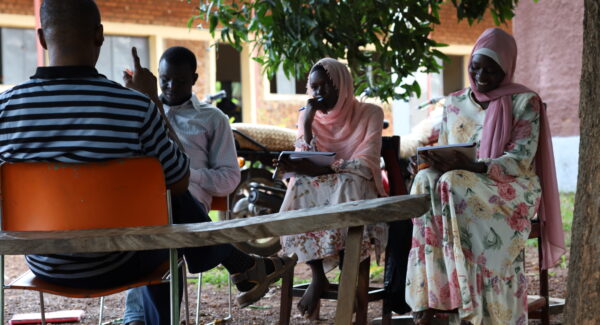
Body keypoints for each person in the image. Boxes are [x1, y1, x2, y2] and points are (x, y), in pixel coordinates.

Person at [0, 1, 295, 325]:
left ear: (41, 38)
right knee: (170, 203)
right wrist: (151, 102)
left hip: (45, 262)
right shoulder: (135, 107)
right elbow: (181, 183)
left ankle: (232, 268)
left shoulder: (5, 108)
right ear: (100, 36)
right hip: (120, 260)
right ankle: (239, 264)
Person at [406, 28, 565, 325]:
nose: (480, 75)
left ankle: (470, 301)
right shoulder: (454, 102)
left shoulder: (524, 101)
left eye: (490, 70)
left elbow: (519, 160)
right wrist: (434, 158)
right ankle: (432, 297)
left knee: (453, 183)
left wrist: (477, 167)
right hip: (460, 183)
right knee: (424, 181)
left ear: (506, 68)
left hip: (511, 184)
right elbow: (448, 146)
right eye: (475, 67)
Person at [121, 46, 242, 325]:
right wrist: (136, 99)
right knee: (150, 220)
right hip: (142, 205)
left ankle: (137, 318)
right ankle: (236, 259)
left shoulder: (213, 118)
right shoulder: (138, 110)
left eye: (180, 81)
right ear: (157, 77)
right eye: (164, 80)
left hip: (186, 206)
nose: (171, 87)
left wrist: (188, 174)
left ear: (195, 79)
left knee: (160, 221)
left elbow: (229, 180)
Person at [276, 58, 387, 318]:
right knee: (299, 185)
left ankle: (348, 281)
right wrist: (306, 124)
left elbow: (365, 163)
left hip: (356, 185)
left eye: (325, 87)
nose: (318, 94)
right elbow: (303, 160)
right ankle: (318, 276)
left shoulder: (370, 113)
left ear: (342, 85)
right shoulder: (308, 115)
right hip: (322, 185)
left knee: (348, 184)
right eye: (313, 88)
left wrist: (329, 168)